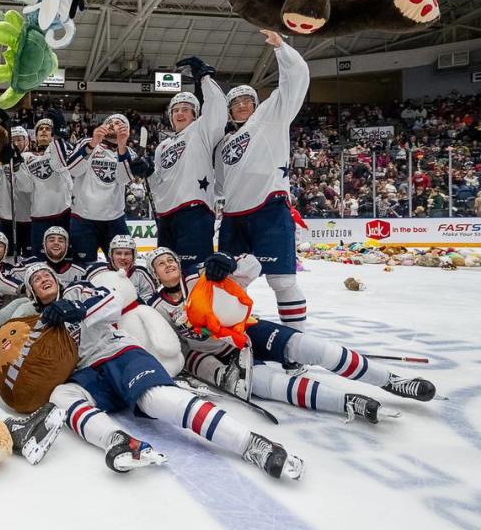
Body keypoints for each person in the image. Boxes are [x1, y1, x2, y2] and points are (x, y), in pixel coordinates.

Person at [22, 264, 303, 479]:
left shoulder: (80, 290)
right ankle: (117, 440)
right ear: (32, 293)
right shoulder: (35, 326)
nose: (44, 279)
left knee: (154, 398)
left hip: (120, 354)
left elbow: (113, 302)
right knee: (61, 394)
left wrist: (76, 309)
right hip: (89, 374)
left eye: (47, 275)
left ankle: (251, 443)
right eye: (36, 280)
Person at [144, 248, 437, 423]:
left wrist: (229, 263)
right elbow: (177, 349)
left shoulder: (202, 275)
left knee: (311, 347)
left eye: (171, 260)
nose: (169, 264)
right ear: (155, 274)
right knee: (269, 384)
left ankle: (391, 381)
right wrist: (209, 371)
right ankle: (347, 402)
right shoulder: (156, 306)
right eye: (161, 263)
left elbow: (253, 267)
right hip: (220, 356)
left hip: (248, 331)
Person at [215, 30, 310, 351]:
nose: (242, 105)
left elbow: (294, 83)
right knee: (228, 281)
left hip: (269, 209)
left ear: (256, 103)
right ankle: (228, 337)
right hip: (232, 217)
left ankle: (298, 343)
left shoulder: (271, 116)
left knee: (282, 281)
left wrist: (281, 49)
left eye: (246, 101)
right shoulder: (224, 142)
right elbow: (216, 183)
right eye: (236, 103)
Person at [148, 56, 226, 276]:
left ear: (195, 114)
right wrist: (145, 172)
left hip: (194, 212)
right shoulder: (162, 146)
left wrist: (205, 79)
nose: (180, 113)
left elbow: (218, 108)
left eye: (185, 109)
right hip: (166, 216)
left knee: (194, 272)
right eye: (175, 110)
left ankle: (199, 310)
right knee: (168, 275)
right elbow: (157, 184)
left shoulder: (201, 131)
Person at [66, 114, 143, 265]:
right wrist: (93, 143)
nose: (115, 125)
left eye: (120, 124)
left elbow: (123, 179)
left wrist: (122, 147)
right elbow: (72, 170)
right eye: (111, 122)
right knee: (83, 267)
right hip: (83, 218)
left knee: (123, 267)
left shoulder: (129, 152)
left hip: (114, 219)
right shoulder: (87, 142)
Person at [16, 118, 73, 256]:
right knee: (39, 259)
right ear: (34, 136)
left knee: (65, 258)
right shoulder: (25, 157)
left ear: (53, 135)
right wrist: (16, 167)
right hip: (39, 215)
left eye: (48, 129)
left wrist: (58, 138)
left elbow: (60, 166)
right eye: (40, 129)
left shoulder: (63, 148)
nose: (43, 131)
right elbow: (26, 187)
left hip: (64, 213)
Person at [0, 126, 32, 260]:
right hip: (6, 216)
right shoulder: (0, 161)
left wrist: (17, 165)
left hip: (28, 216)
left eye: (19, 139)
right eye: (12, 140)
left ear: (26, 141)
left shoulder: (31, 159)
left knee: (29, 257)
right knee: (8, 256)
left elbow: (27, 187)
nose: (15, 143)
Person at [83, 234, 155, 302]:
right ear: (111, 255)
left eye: (127, 253)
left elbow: (149, 301)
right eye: (118, 253)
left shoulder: (141, 274)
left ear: (134, 256)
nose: (123, 257)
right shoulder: (96, 272)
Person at [12, 226, 85, 286]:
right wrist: (25, 288)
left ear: (67, 245)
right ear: (44, 244)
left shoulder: (80, 270)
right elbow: (4, 276)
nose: (56, 243)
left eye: (61, 241)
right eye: (51, 240)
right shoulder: (30, 266)